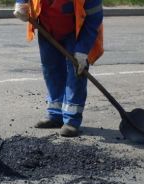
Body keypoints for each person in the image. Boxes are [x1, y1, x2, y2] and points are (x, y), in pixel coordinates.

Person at [13, 0, 104, 137]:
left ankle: (72, 120)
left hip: (76, 32)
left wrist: (82, 50)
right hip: (46, 26)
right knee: (51, 70)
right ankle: (55, 114)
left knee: (76, 72)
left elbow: (94, 18)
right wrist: (20, 3)